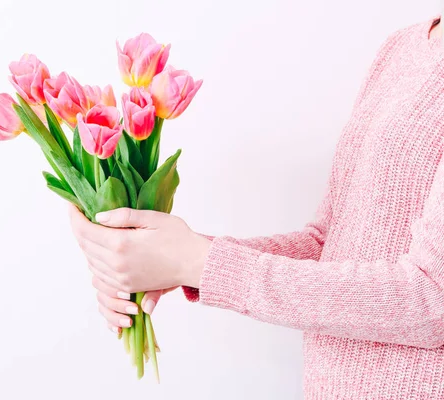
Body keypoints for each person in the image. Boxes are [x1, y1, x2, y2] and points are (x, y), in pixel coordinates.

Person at [69, 15, 444, 399]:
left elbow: (432, 300)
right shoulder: (403, 48)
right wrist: (173, 257)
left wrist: (199, 261)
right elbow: (325, 244)